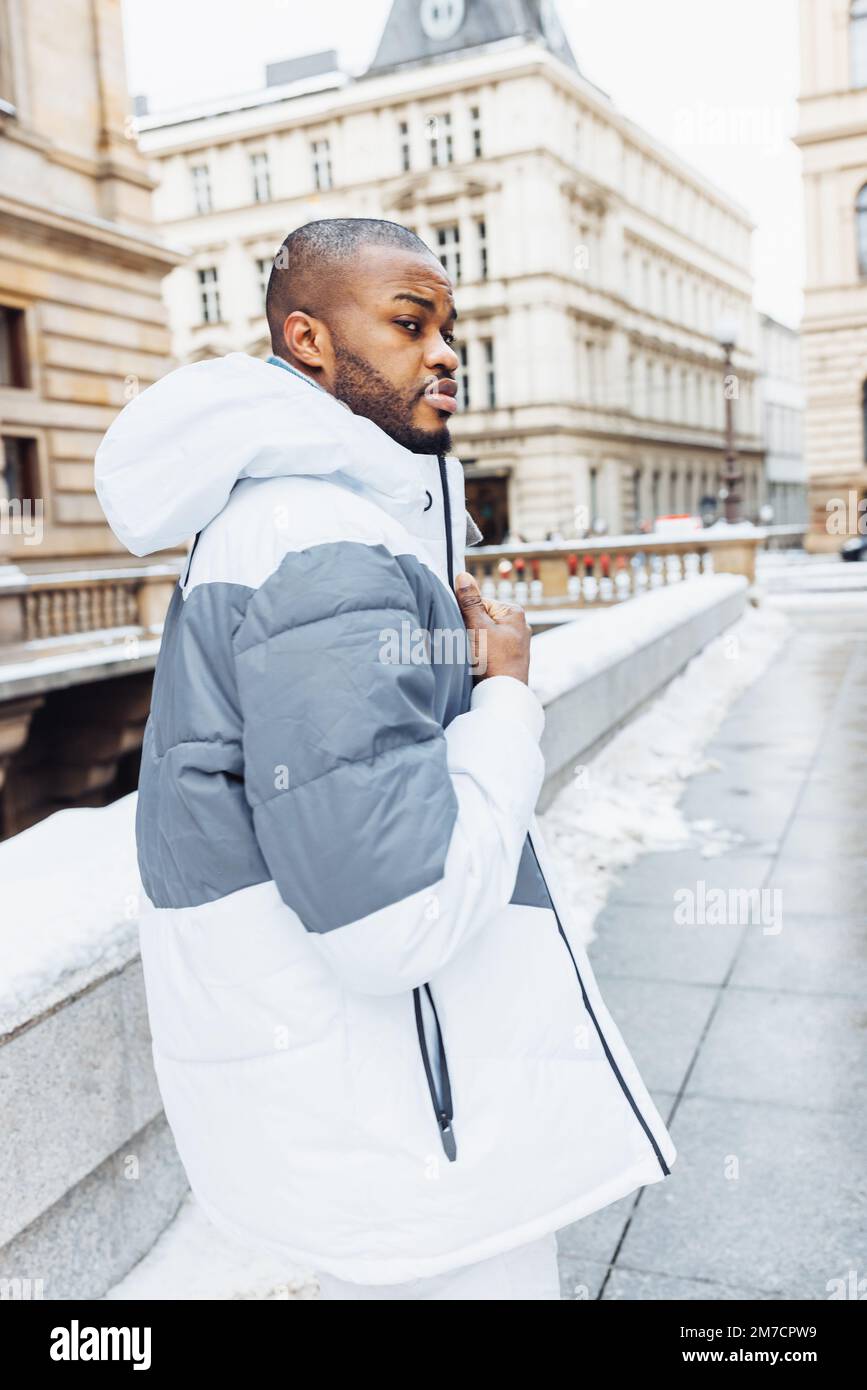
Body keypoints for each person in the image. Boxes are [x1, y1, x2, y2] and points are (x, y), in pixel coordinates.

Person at [94, 218, 676, 1301]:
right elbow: (392, 923)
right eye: (410, 324)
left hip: (380, 1111)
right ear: (308, 338)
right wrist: (504, 695)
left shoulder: (291, 519)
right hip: (415, 1133)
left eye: (448, 326)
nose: (446, 351)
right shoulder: (319, 537)